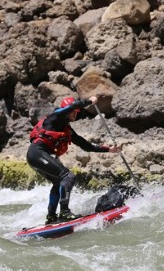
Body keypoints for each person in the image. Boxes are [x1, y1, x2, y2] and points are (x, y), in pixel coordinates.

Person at [27, 95, 120, 224]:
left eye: (76, 113)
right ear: (68, 111)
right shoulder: (55, 117)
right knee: (68, 176)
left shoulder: (67, 129)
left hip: (37, 156)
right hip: (37, 153)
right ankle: (64, 212)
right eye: (74, 113)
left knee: (58, 181)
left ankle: (51, 216)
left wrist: (109, 149)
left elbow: (86, 146)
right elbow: (73, 105)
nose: (75, 115)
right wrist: (89, 101)